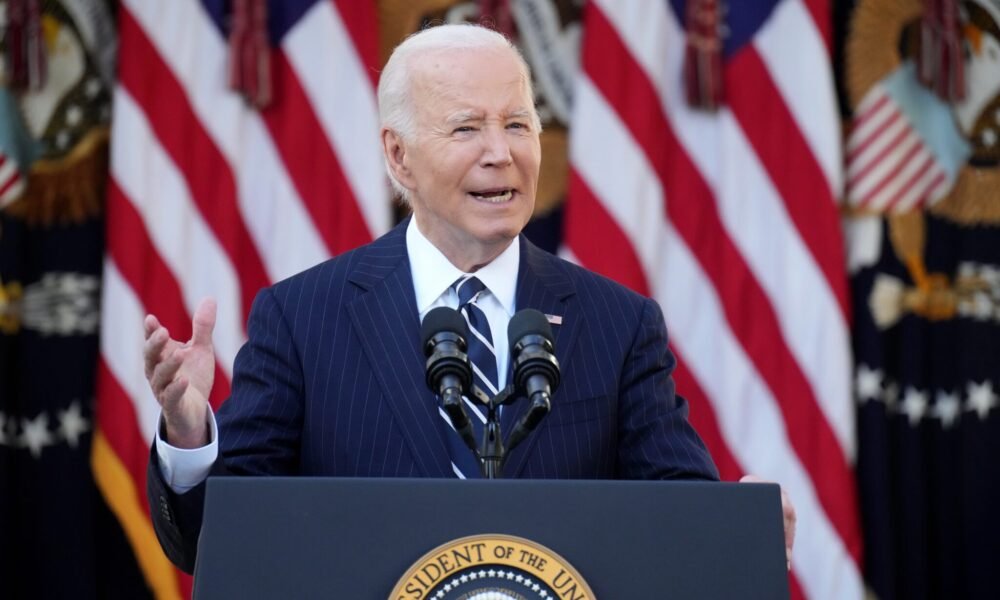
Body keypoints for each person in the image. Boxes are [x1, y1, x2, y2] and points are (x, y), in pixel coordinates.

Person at [143, 24, 795, 574]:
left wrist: (739, 531)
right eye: (467, 129)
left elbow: (677, 519)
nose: (501, 153)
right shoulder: (304, 318)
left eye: (518, 124)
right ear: (399, 158)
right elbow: (213, 544)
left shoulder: (618, 324)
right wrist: (189, 433)